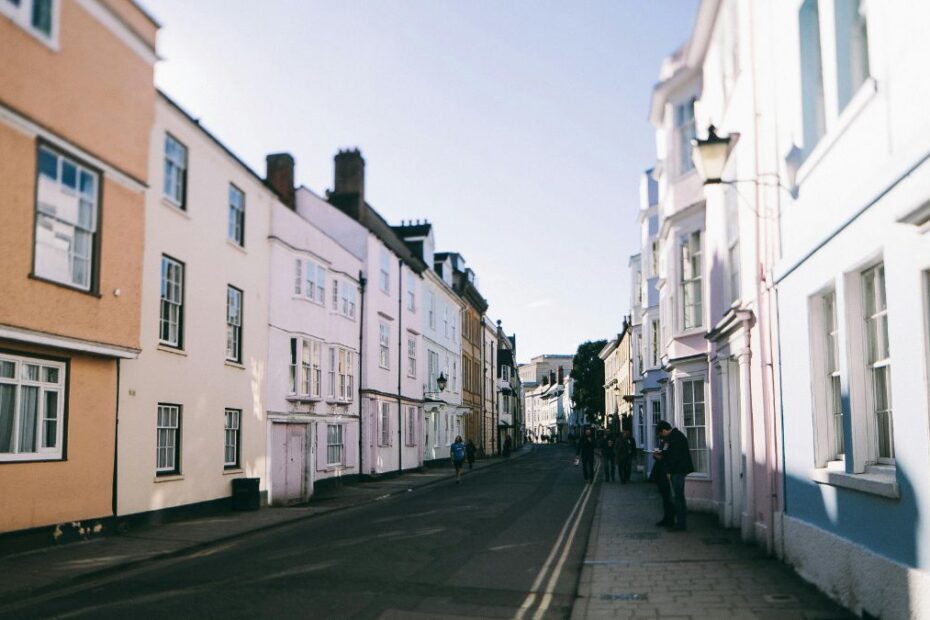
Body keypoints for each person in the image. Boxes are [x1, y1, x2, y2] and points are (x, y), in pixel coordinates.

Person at [655, 420, 695, 530]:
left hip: (678, 471)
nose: (661, 438)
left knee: (678, 498)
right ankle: (675, 521)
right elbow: (667, 452)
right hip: (675, 471)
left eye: (661, 435)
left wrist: (666, 467)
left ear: (664, 430)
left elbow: (675, 457)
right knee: (676, 497)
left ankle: (681, 524)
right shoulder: (672, 437)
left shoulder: (677, 437)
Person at [649, 436, 675, 527]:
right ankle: (667, 518)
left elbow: (665, 457)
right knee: (665, 498)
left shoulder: (667, 442)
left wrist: (658, 456)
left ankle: (670, 519)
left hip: (664, 474)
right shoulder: (664, 442)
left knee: (668, 498)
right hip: (661, 474)